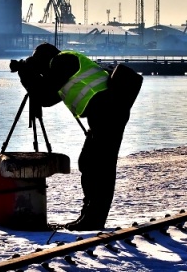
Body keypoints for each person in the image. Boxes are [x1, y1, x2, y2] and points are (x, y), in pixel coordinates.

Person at [10, 42, 142, 230]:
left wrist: (25, 71)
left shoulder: (64, 60)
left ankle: (93, 220)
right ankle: (89, 217)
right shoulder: (64, 66)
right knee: (89, 163)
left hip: (109, 112)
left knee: (99, 166)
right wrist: (30, 74)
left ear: (45, 58)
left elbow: (44, 94)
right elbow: (47, 97)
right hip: (107, 114)